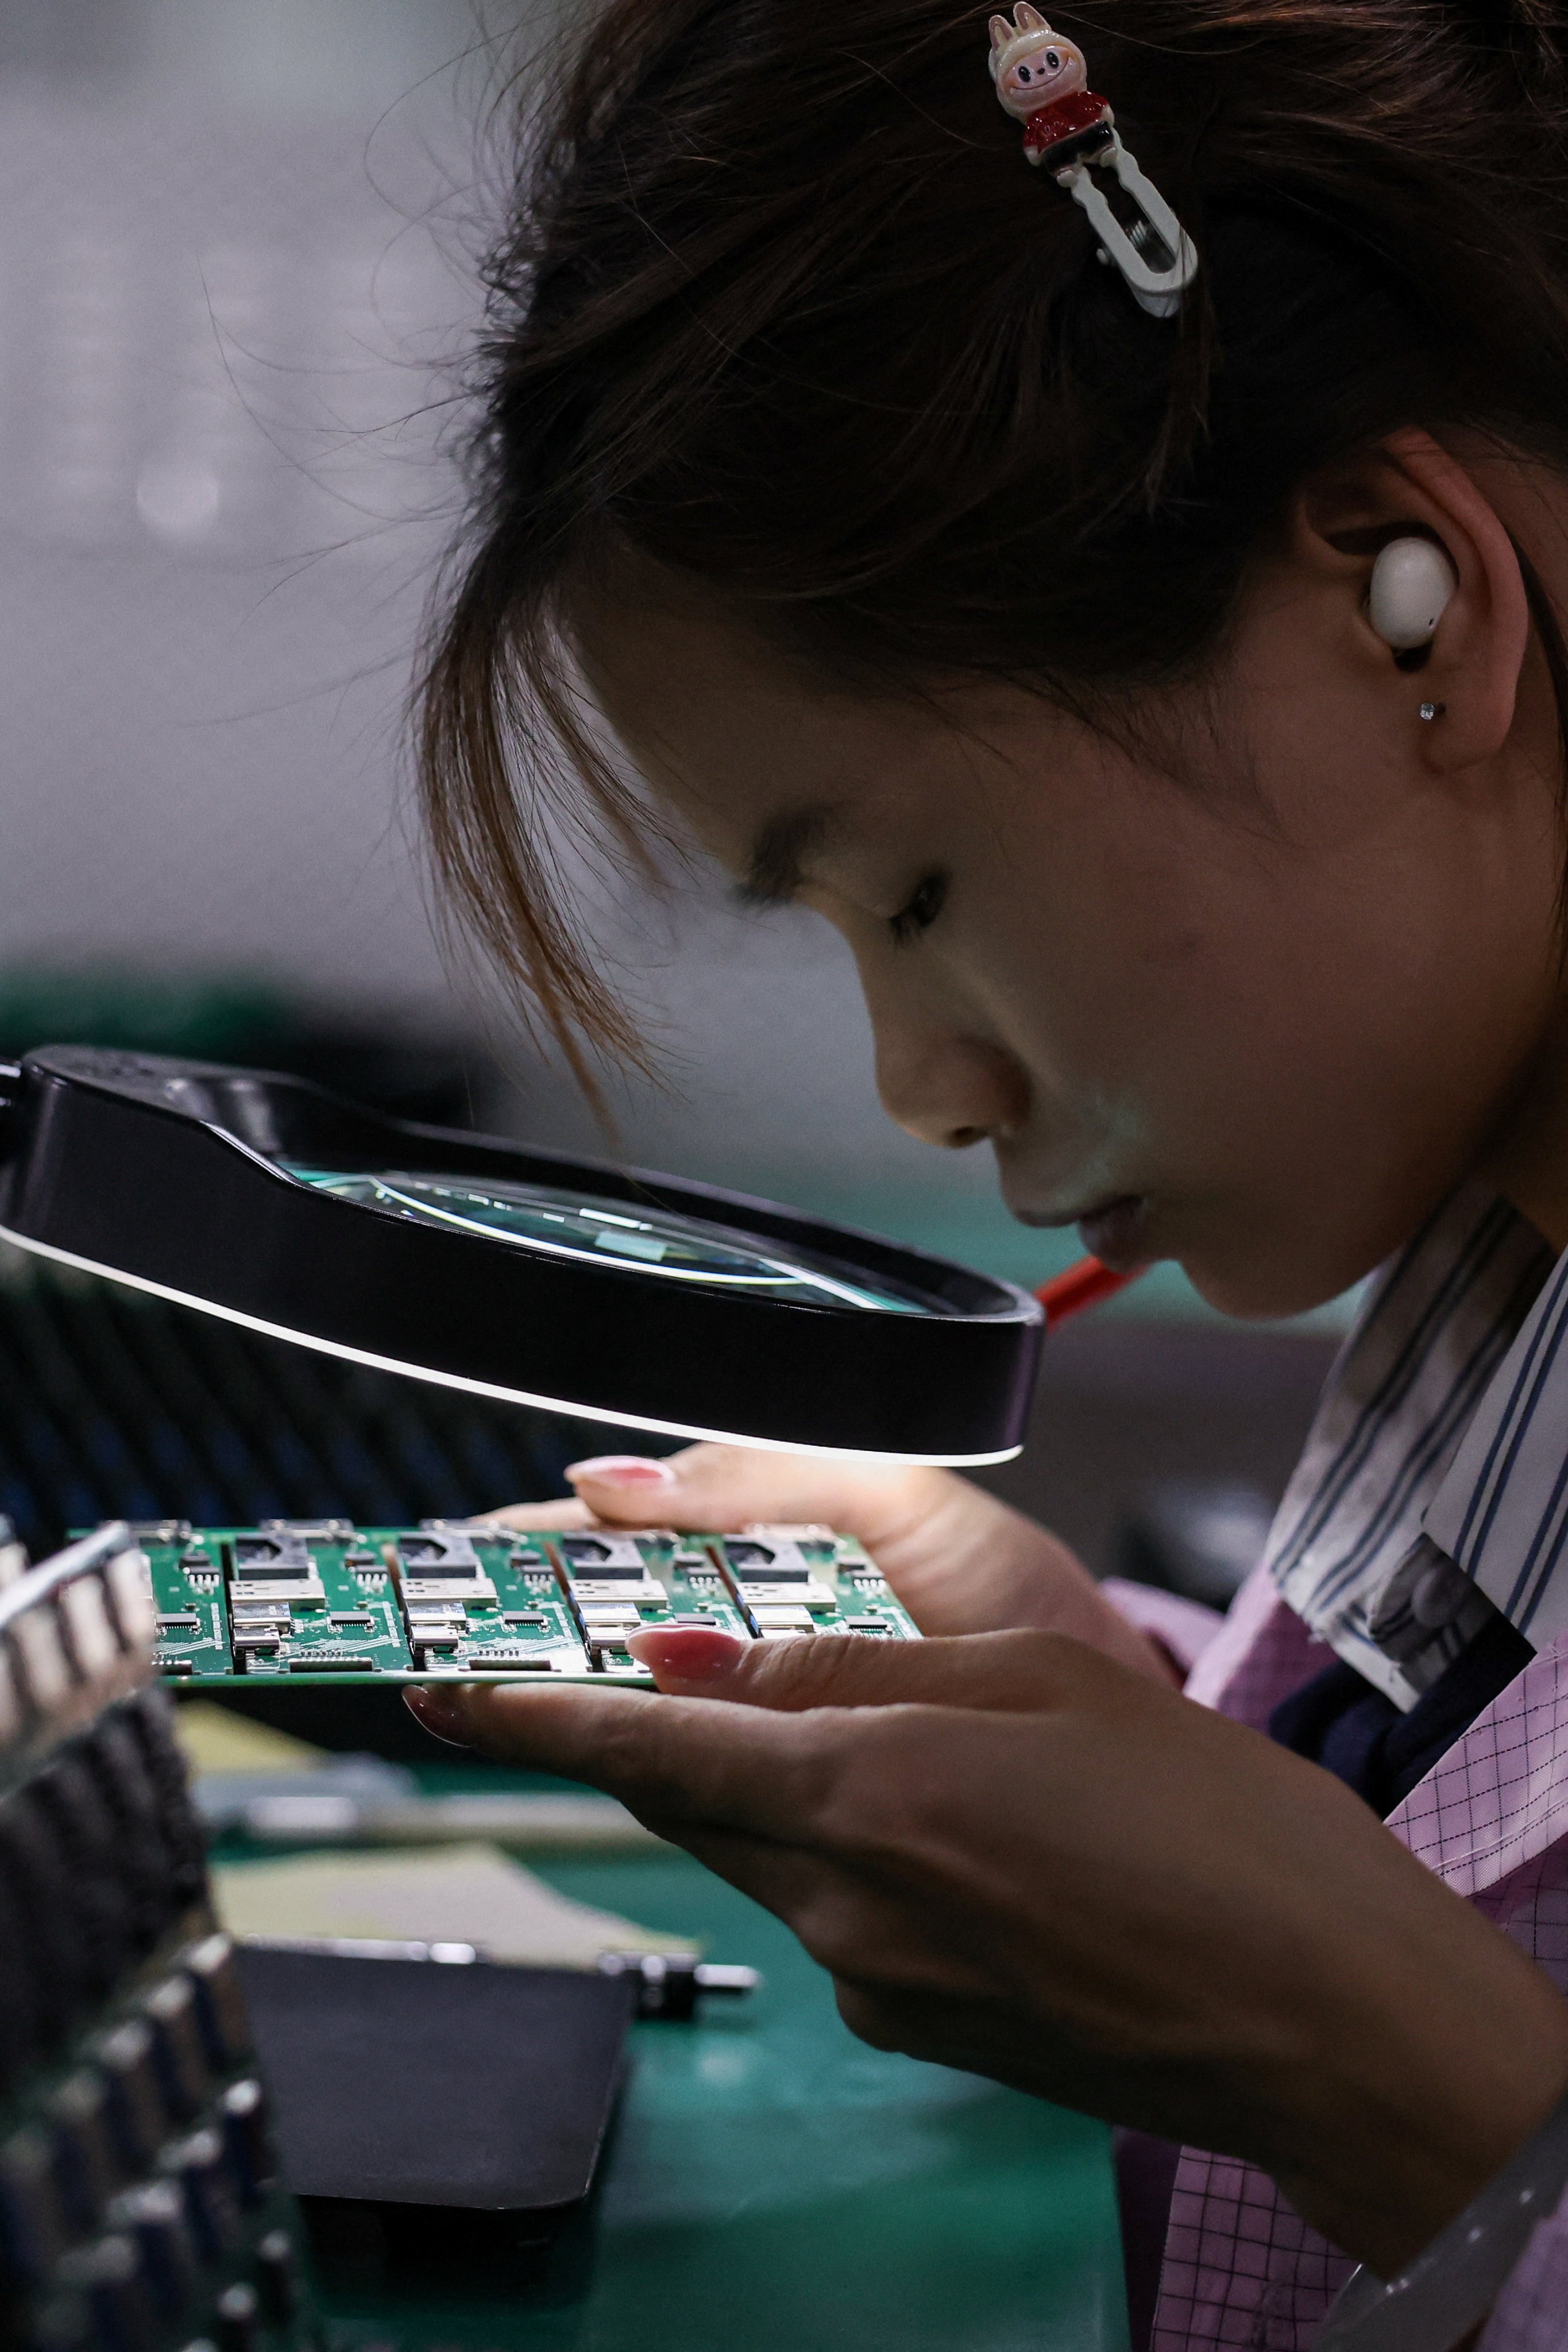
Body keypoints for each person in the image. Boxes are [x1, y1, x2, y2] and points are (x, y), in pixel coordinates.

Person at [403, 2, 1568, 2340]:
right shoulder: (1496, 1301)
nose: (924, 1089)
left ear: (1396, 601)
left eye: (911, 898)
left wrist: (1411, 2085)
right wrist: (1094, 1697)